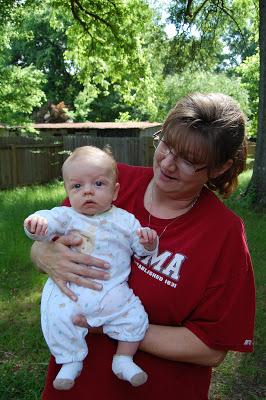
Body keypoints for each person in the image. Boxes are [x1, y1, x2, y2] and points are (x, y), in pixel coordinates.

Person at [31, 93, 256, 400]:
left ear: (218, 168)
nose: (167, 162)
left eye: (188, 160)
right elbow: (52, 233)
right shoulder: (108, 182)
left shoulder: (223, 234)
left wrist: (112, 323)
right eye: (166, 144)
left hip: (157, 389)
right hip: (77, 388)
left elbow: (211, 348)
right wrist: (42, 253)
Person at [24, 146, 158, 390]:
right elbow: (49, 219)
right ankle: (70, 360)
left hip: (111, 291)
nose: (87, 191)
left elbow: (140, 247)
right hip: (71, 288)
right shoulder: (67, 216)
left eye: (98, 184)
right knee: (57, 317)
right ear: (67, 191)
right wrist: (37, 224)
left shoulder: (125, 220)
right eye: (77, 186)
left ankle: (123, 358)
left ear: (114, 191)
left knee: (135, 316)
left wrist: (148, 243)